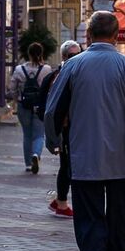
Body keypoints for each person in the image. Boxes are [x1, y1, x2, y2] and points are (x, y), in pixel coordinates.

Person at [44, 12, 125, 251]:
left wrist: (54, 141)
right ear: (117, 35)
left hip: (84, 158)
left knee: (89, 220)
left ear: (89, 34)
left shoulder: (72, 66)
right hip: (121, 160)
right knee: (122, 219)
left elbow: (53, 110)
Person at [47, 40, 82, 218]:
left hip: (78, 127)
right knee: (68, 165)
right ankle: (62, 202)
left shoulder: (77, 73)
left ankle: (60, 200)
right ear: (63, 56)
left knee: (69, 164)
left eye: (78, 55)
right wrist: (53, 136)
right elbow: (52, 108)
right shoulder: (59, 75)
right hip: (67, 128)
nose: (75, 58)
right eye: (71, 56)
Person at [9, 42, 55, 174]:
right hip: (40, 105)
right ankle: (36, 154)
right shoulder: (46, 69)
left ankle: (28, 164)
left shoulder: (19, 69)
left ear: (28, 53)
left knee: (27, 134)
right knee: (39, 134)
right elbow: (51, 88)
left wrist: (16, 99)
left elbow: (12, 88)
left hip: (23, 105)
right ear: (41, 53)